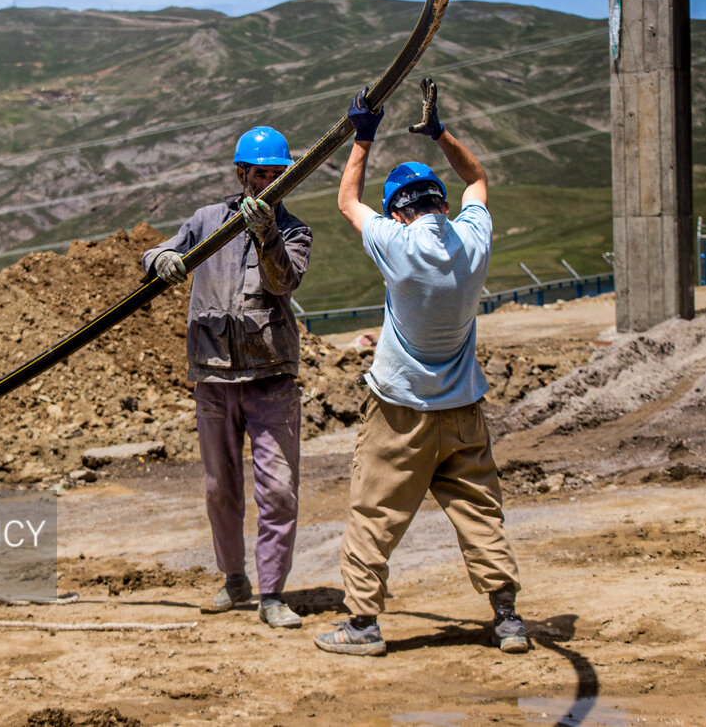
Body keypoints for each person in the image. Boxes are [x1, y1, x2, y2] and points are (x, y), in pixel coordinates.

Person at [314, 78, 528, 656]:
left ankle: (361, 627)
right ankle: (507, 619)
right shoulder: (472, 244)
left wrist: (363, 136)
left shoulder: (397, 246)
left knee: (373, 516)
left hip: (400, 416)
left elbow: (346, 203)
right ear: (439, 201)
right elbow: (478, 180)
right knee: (481, 515)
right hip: (463, 411)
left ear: (398, 213)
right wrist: (439, 132)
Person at [142, 125, 312, 629]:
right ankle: (233, 578)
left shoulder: (294, 231)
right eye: (262, 174)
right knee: (221, 488)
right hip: (213, 377)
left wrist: (266, 235)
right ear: (242, 174)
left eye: (279, 176)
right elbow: (155, 254)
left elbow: (284, 280)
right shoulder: (206, 221)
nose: (270, 184)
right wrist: (164, 260)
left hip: (270, 380)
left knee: (278, 490)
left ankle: (272, 594)